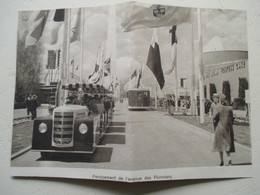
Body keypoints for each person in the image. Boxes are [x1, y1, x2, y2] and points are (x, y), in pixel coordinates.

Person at [212, 94, 235, 166]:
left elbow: (214, 117)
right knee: (227, 143)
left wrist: (214, 124)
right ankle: (229, 158)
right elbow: (232, 119)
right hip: (228, 128)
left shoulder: (218, 107)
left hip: (220, 127)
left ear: (219, 99)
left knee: (220, 144)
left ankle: (221, 161)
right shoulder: (230, 108)